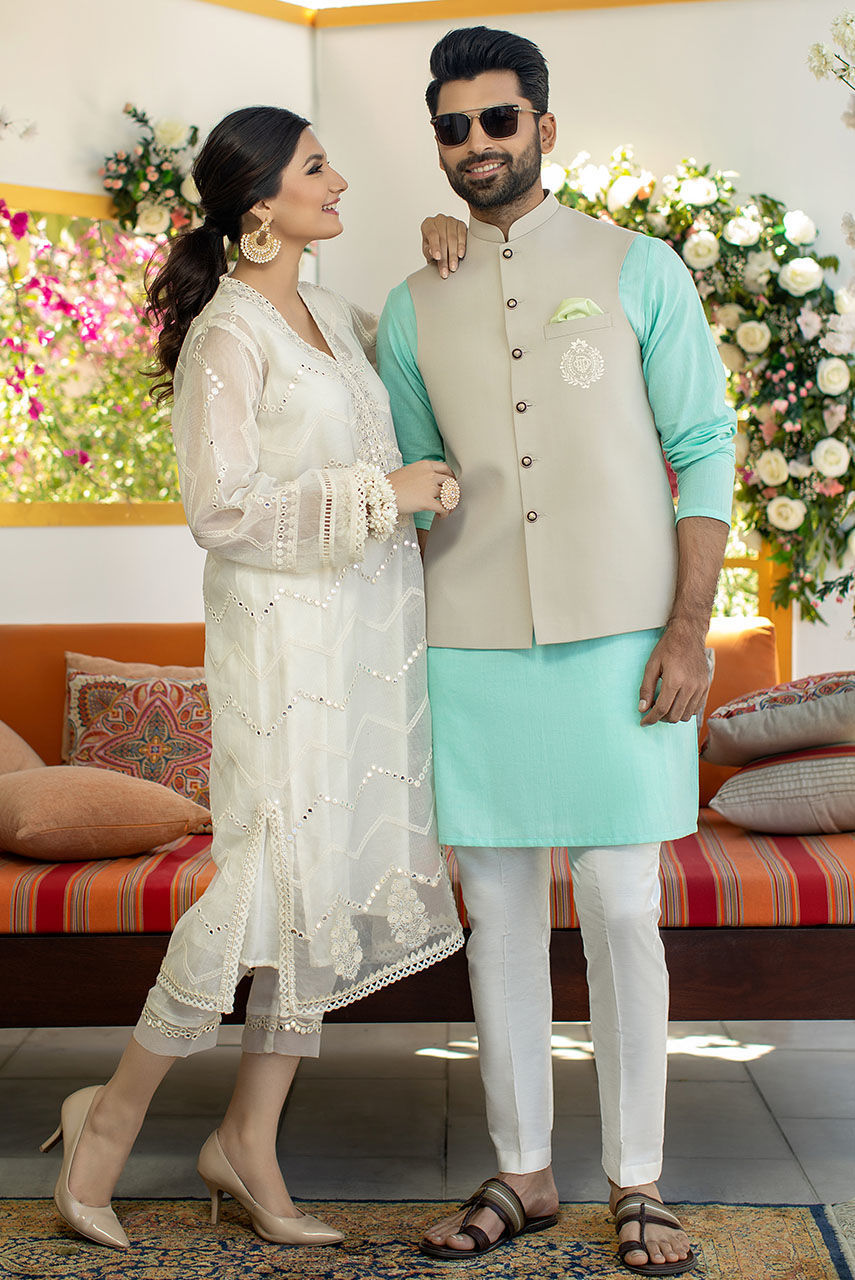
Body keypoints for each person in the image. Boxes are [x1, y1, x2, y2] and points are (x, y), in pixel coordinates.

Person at [38, 105, 467, 1252]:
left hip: (355, 640)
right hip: (278, 643)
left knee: (311, 891)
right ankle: (106, 1123)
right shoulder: (229, 334)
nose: (341, 181)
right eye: (318, 166)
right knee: (255, 880)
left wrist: (448, 250)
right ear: (262, 201)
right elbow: (218, 509)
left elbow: (424, 348)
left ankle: (246, 1141)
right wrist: (385, 494)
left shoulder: (334, 313)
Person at [377, 27, 736, 1276]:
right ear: (439, 141)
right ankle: (523, 1168)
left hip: (626, 644)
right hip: (470, 647)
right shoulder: (413, 302)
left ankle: (639, 1177)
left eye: (498, 119)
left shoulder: (642, 269)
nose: (477, 143)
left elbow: (704, 447)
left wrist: (688, 627)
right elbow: (414, 478)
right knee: (500, 919)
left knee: (626, 909)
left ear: (544, 126)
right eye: (454, 126)